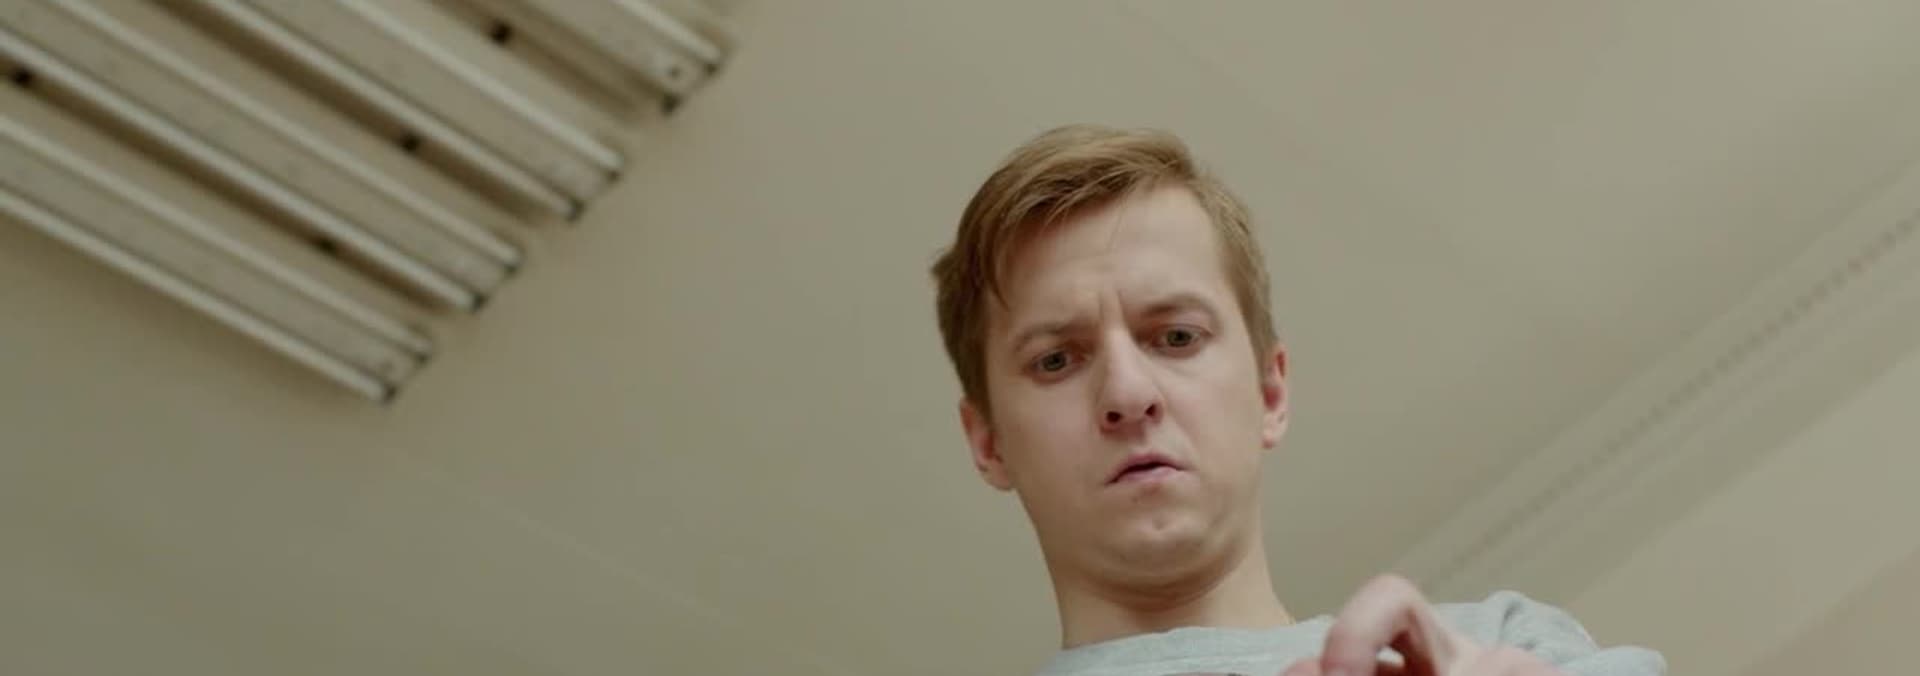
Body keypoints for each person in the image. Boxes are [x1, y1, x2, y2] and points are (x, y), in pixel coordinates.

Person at [928, 124, 1667, 676]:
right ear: (987, 442)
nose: (1127, 393)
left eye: (1177, 337)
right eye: (1056, 360)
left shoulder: (1505, 644)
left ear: (1270, 390)